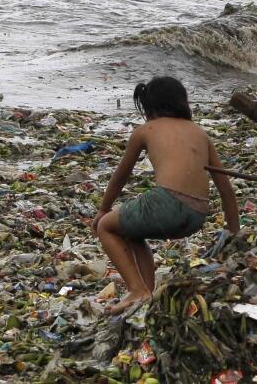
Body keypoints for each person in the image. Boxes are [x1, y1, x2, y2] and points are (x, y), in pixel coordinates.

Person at [91, 77, 240, 315]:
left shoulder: (145, 130)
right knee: (131, 230)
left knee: (107, 226)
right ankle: (146, 293)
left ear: (150, 107)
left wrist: (103, 209)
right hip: (197, 215)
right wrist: (234, 235)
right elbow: (225, 189)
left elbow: (121, 175)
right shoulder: (200, 133)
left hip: (167, 204)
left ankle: (136, 290)